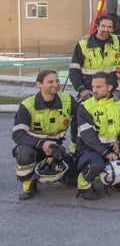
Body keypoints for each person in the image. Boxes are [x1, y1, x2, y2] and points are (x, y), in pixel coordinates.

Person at [12, 70, 78, 200]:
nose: (55, 84)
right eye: (50, 81)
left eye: (57, 80)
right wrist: (42, 144)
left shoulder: (67, 100)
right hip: (33, 148)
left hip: (55, 150)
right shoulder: (27, 106)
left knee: (73, 179)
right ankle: (28, 182)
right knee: (24, 152)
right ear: (39, 84)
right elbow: (18, 134)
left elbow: (85, 113)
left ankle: (56, 173)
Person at [75, 72, 120, 200]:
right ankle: (83, 183)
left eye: (99, 87)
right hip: (89, 148)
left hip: (112, 147)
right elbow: (88, 137)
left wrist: (119, 142)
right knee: (96, 165)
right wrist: (106, 153)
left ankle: (105, 176)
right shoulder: (85, 107)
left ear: (109, 88)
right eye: (93, 87)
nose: (94, 90)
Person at [69, 15, 120, 101]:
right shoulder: (83, 45)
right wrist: (81, 89)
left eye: (109, 27)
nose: (106, 30)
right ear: (97, 27)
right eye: (103, 26)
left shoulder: (117, 41)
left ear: (112, 29)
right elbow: (74, 71)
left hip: (109, 93)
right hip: (89, 93)